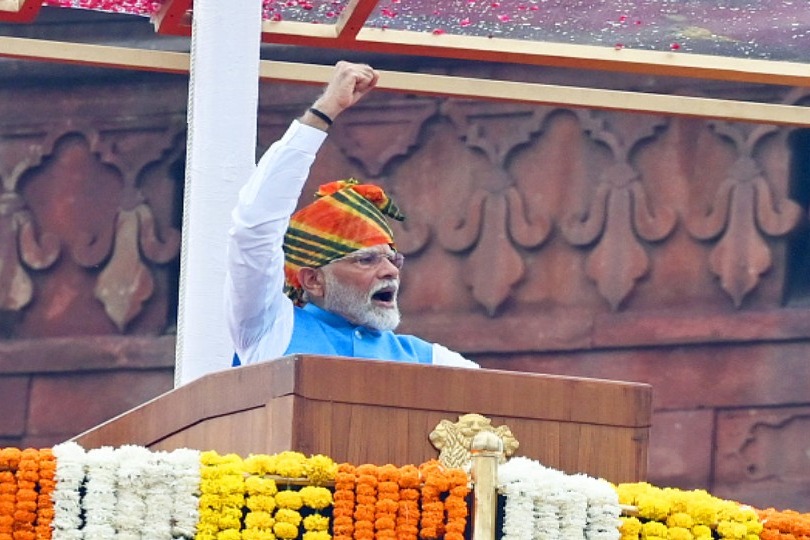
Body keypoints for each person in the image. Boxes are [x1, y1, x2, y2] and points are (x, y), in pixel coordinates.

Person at [225, 61, 478, 369]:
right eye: (366, 259)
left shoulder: (430, 360)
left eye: (393, 259)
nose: (390, 271)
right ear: (314, 280)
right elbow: (254, 229)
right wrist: (324, 111)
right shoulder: (270, 329)